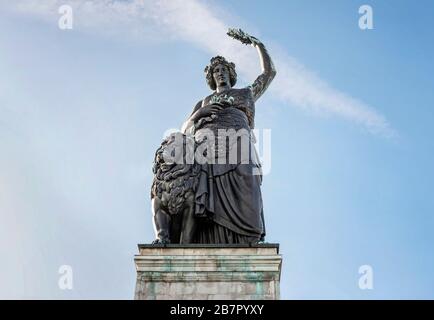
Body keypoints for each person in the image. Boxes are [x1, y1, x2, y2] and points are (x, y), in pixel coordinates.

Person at [181, 29, 276, 244]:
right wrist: (200, 113)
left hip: (239, 140)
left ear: (231, 73)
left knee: (247, 178)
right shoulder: (204, 100)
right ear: (211, 77)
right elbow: (185, 129)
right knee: (208, 188)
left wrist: (257, 44)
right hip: (207, 145)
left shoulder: (245, 93)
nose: (220, 73)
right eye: (216, 71)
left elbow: (269, 73)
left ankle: (249, 236)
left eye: (224, 70)